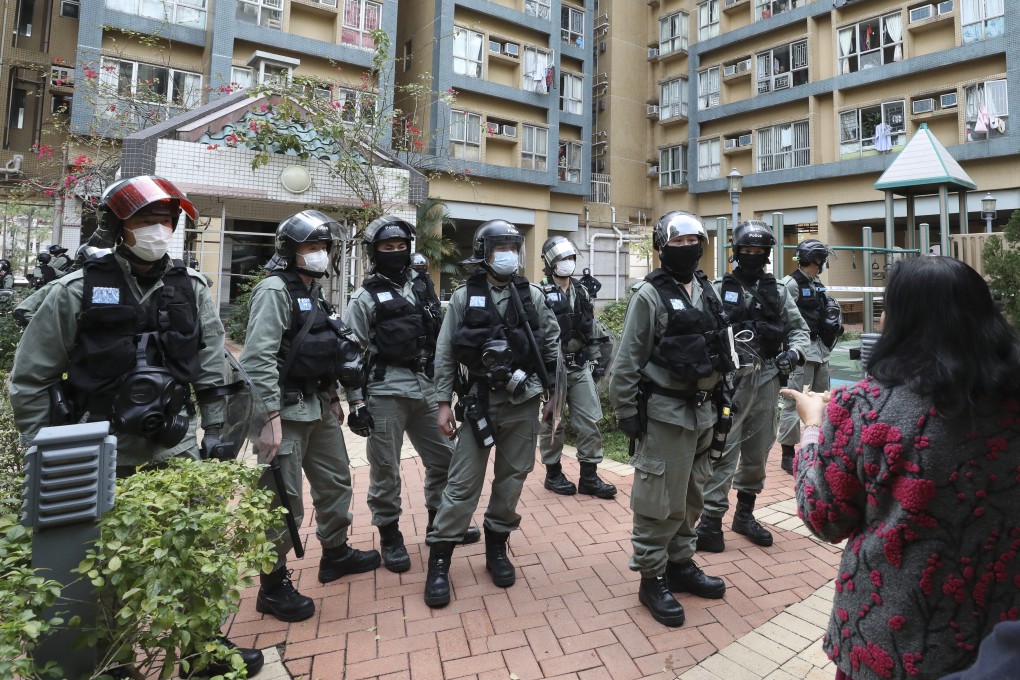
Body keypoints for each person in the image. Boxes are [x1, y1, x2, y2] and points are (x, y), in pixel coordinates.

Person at [7, 175, 264, 677]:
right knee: (101, 567)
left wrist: (216, 433)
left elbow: (213, 365)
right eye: (147, 220)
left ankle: (201, 648)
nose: (159, 229)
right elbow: (31, 379)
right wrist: (40, 453)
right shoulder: (74, 291)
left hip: (172, 447)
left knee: (193, 550)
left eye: (166, 220)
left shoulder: (190, 288)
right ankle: (113, 660)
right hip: (96, 451)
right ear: (116, 225)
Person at [781, 256, 1020, 680]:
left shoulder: (865, 406)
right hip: (1000, 636)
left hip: (892, 634)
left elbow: (826, 517)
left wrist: (813, 425)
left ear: (902, 319)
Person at [240, 210, 380, 623]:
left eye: (322, 247)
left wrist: (334, 395)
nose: (318, 254)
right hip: (283, 412)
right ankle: (272, 583)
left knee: (337, 482)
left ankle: (334, 552)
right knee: (283, 503)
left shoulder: (313, 292)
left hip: (317, 406)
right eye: (310, 247)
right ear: (289, 251)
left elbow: (322, 349)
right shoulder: (274, 291)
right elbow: (258, 358)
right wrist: (268, 417)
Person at [423, 219, 559, 608]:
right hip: (479, 401)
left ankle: (497, 547)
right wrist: (443, 403)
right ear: (484, 252)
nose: (508, 254)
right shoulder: (466, 297)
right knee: (463, 483)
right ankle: (440, 560)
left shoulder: (532, 295)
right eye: (500, 247)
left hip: (523, 401)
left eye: (513, 247)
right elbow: (446, 352)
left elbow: (551, 346)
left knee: (512, 478)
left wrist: (554, 396)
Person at [609, 211, 735, 628]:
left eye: (693, 241)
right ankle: (652, 577)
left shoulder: (706, 289)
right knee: (658, 502)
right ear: (662, 247)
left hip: (705, 412)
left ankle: (681, 564)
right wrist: (628, 414)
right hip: (666, 415)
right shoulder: (649, 295)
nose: (688, 249)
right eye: (678, 242)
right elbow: (626, 363)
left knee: (692, 496)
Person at [344, 216, 479, 573]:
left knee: (445, 458)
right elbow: (350, 354)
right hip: (386, 390)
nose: (395, 253)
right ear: (374, 252)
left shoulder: (422, 286)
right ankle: (390, 535)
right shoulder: (364, 297)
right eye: (387, 248)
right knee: (386, 468)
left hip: (426, 387)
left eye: (401, 246)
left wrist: (451, 387)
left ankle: (440, 522)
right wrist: (356, 403)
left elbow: (442, 338)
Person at [696, 220, 809, 553]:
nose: (753, 256)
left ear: (768, 254)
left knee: (759, 451)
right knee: (723, 449)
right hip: (731, 382)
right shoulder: (717, 289)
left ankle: (745, 514)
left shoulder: (780, 291)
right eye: (746, 250)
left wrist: (794, 352)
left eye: (759, 252)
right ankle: (710, 521)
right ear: (735, 252)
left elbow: (799, 330)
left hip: (767, 379)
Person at [538, 236, 616, 499]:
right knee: (553, 424)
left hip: (579, 365)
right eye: (562, 259)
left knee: (589, 421)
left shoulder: (581, 291)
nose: (567, 263)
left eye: (570, 258)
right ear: (550, 263)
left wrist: (594, 363)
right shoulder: (539, 293)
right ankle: (553, 473)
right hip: (554, 369)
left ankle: (589, 477)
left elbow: (591, 329)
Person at [778, 239, 844, 474]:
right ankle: (787, 453)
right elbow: (782, 318)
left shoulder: (816, 283)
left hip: (821, 351)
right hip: (802, 352)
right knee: (795, 400)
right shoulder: (790, 284)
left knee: (822, 399)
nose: (823, 263)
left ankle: (819, 446)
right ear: (815, 259)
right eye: (822, 259)